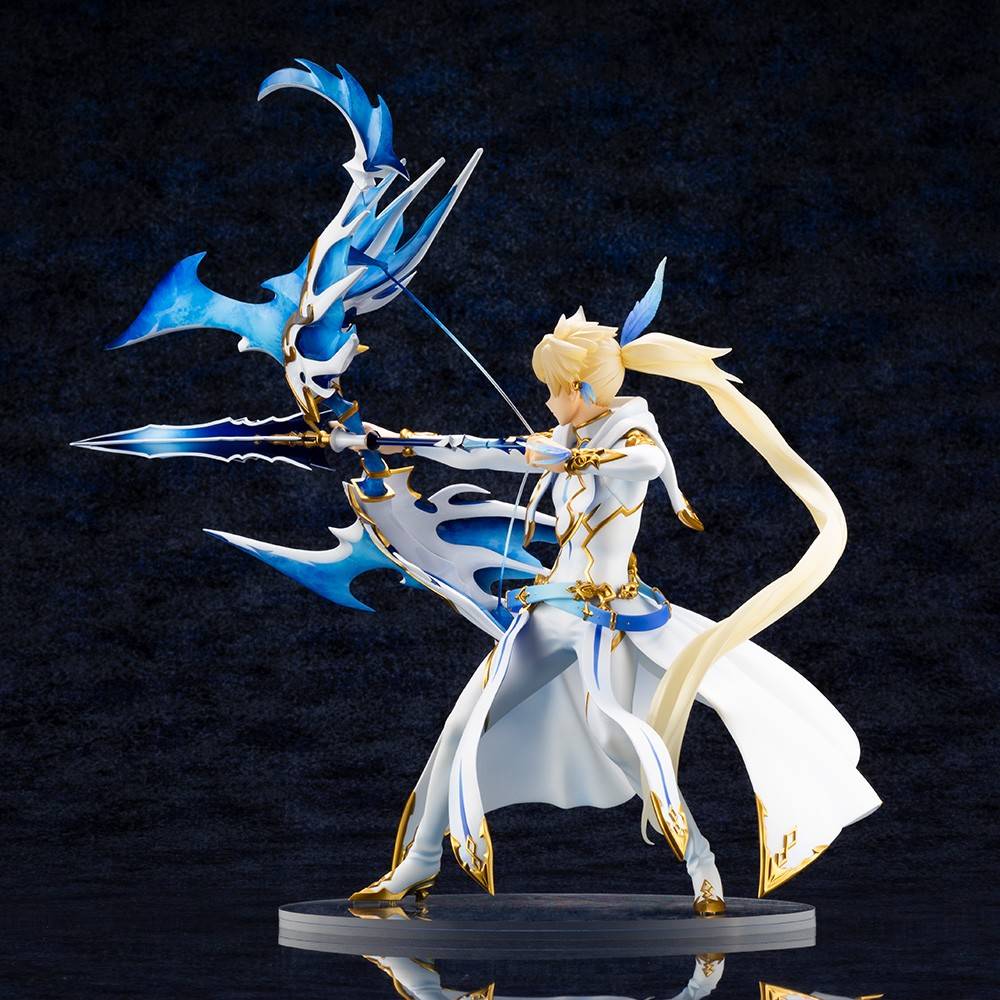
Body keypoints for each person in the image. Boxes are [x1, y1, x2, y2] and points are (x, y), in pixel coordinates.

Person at [349, 307, 880, 912]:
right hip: (548, 613)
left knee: (620, 742)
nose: (546, 401)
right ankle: (419, 862)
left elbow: (647, 464)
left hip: (604, 621)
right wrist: (387, 439)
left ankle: (702, 862)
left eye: (553, 390)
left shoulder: (632, 438)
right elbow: (483, 452)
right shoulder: (565, 438)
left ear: (581, 390)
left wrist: (574, 460)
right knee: (459, 728)